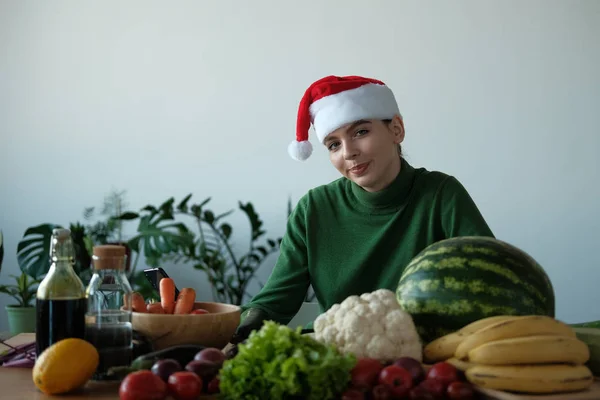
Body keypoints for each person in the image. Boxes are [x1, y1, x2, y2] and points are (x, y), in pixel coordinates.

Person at [226, 75, 494, 349]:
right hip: (334, 354)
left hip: (424, 357)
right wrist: (248, 324)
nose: (349, 152)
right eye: (334, 145)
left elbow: (490, 279)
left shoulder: (441, 195)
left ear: (397, 130)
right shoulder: (314, 208)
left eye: (360, 132)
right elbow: (276, 299)